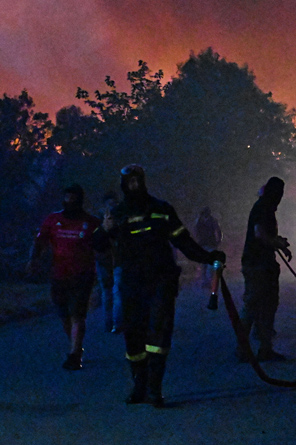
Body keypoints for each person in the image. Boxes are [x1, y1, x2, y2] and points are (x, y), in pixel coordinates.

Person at [96, 164, 226, 407]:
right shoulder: (117, 214)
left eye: (138, 180)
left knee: (159, 337)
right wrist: (104, 230)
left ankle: (155, 389)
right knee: (133, 338)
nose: (134, 185)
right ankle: (139, 387)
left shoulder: (162, 209)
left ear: (144, 181)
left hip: (161, 282)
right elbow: (97, 245)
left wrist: (209, 257)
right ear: (123, 185)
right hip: (131, 284)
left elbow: (184, 241)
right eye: (129, 182)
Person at [27, 184, 100, 371]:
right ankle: (75, 345)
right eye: (67, 197)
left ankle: (75, 354)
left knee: (77, 314)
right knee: (64, 315)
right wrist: (33, 260)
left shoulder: (91, 223)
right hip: (59, 275)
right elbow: (40, 241)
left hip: (82, 275)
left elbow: (103, 245)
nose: (70, 201)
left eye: (74, 198)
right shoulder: (53, 220)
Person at [237, 177, 292, 363]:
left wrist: (279, 244)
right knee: (252, 306)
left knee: (268, 306)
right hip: (256, 265)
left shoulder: (266, 207)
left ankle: (265, 348)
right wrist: (277, 242)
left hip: (265, 264)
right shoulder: (262, 207)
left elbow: (265, 235)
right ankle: (243, 349)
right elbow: (260, 235)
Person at [96, 191, 119, 333]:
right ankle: (109, 321)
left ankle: (115, 321)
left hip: (116, 258)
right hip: (104, 258)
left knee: (115, 291)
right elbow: (95, 238)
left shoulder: (119, 216)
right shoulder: (98, 219)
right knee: (108, 291)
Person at [193, 206, 223, 288]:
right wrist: (218, 241)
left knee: (206, 265)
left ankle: (207, 281)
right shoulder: (211, 221)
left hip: (207, 244)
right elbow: (218, 231)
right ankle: (206, 281)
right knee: (206, 265)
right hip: (207, 244)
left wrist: (218, 241)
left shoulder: (200, 221)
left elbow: (195, 231)